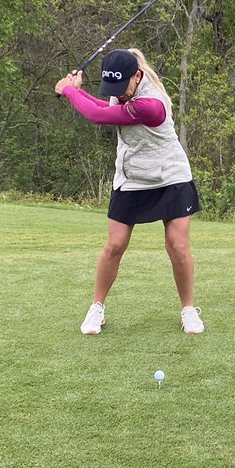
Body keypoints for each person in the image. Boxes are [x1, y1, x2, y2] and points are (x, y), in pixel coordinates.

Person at [54, 48, 204, 335]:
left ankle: (188, 310)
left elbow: (100, 116)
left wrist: (70, 92)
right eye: (112, 88)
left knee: (177, 245)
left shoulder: (152, 104)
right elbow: (104, 107)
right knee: (115, 245)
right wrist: (77, 91)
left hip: (169, 176)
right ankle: (97, 307)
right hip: (132, 176)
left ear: (137, 76)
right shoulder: (123, 88)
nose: (118, 94)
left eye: (121, 88)